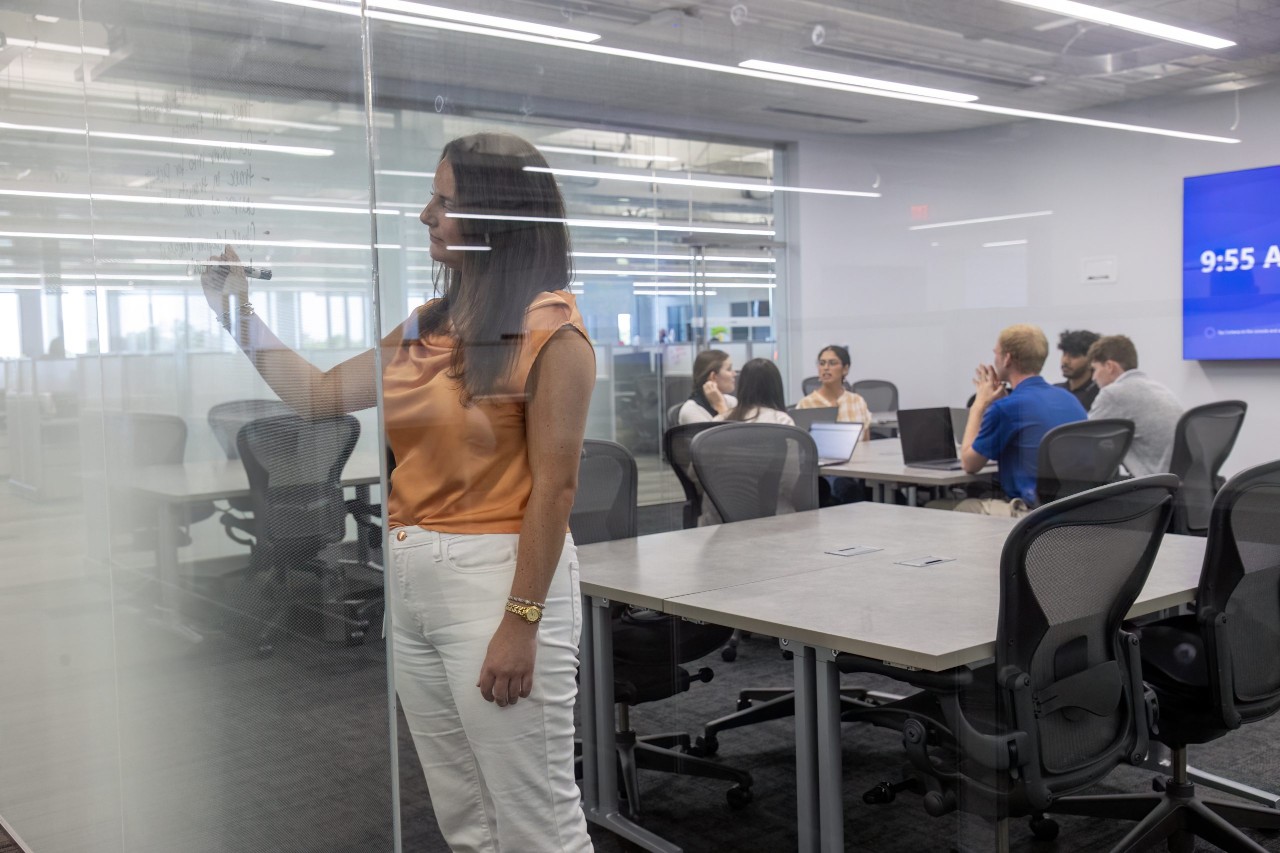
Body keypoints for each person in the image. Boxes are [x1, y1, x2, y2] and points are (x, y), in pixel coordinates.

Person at [200, 132, 594, 852]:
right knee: (467, 817)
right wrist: (236, 316)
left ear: (495, 216)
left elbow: (555, 489)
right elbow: (319, 395)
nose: (425, 215)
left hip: (500, 580)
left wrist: (522, 620)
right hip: (413, 579)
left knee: (538, 821)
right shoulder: (428, 328)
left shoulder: (551, 333)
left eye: (445, 200)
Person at [944, 324, 1086, 515]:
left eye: (997, 353)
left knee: (933, 508)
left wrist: (979, 405)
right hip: (1071, 510)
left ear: (1007, 358)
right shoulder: (1069, 398)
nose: (994, 359)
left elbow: (969, 464)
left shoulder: (1007, 409)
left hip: (1029, 514)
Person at [1087, 335, 1183, 476]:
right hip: (1176, 483)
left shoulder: (1113, 393)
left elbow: (1084, 444)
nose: (1093, 377)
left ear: (1109, 366)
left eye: (1095, 369)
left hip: (1152, 487)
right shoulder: (1159, 388)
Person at [794, 344, 871, 441]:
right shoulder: (805, 404)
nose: (826, 368)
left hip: (858, 456)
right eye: (822, 363)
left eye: (832, 363)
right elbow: (801, 446)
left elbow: (866, 443)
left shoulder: (857, 401)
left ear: (845, 369)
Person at [714, 358, 794, 425]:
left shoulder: (720, 420)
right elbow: (793, 444)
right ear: (776, 387)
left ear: (742, 385)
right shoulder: (782, 421)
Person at [678, 348, 737, 424]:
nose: (734, 374)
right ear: (713, 376)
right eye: (729, 369)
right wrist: (720, 406)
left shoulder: (732, 401)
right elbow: (728, 434)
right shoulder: (691, 411)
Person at [1054, 328, 1101, 410]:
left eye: (1074, 356)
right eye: (1064, 354)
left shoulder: (1100, 395)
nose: (1065, 361)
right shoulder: (1055, 391)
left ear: (1091, 361)